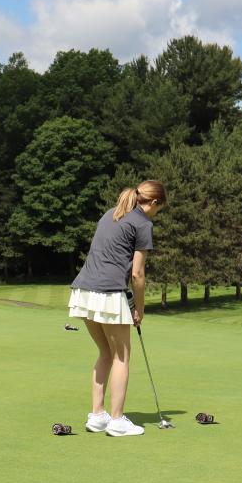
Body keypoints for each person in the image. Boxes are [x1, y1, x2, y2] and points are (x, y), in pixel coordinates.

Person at [68, 180, 167, 437]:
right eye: (159, 208)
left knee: (105, 352)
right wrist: (140, 308)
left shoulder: (110, 213)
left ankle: (97, 416)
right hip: (108, 293)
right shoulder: (143, 223)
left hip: (84, 290)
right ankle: (117, 421)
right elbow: (137, 274)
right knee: (121, 357)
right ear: (154, 202)